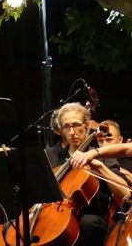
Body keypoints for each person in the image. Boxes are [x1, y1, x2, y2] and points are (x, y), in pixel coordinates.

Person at [45, 102, 128, 246]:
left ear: (86, 125)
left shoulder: (102, 155)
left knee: (88, 222)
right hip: (57, 214)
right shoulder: (52, 157)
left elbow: (124, 192)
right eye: (66, 126)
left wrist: (99, 166)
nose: (72, 132)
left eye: (76, 125)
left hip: (92, 216)